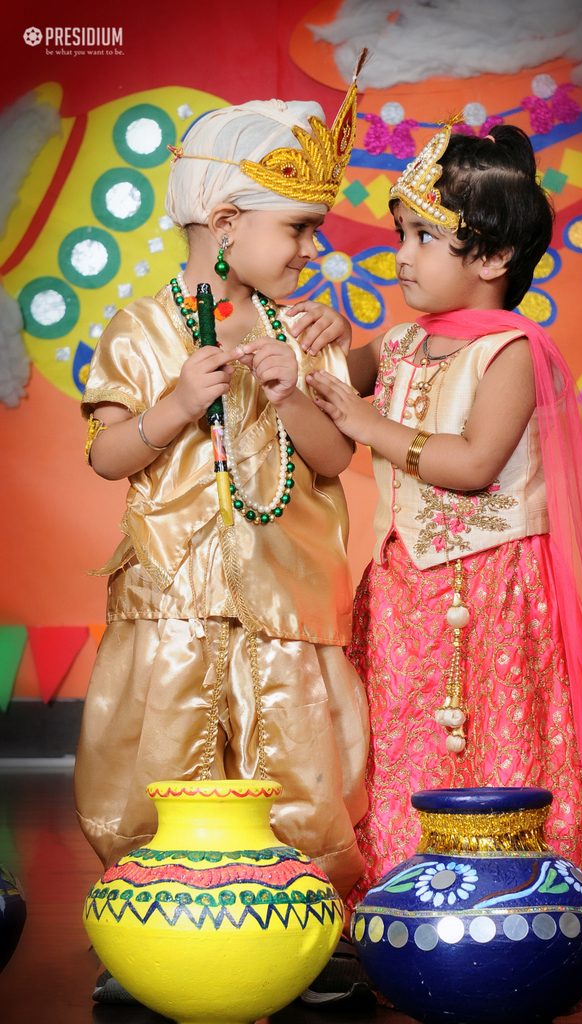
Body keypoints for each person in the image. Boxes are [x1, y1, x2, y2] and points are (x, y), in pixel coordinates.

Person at [308, 121, 582, 995]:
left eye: (425, 236)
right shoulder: (393, 346)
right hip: (401, 592)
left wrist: (362, 424)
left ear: (493, 254)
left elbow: (469, 465)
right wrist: (295, 357)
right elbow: (320, 403)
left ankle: (514, 924)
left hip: (493, 593)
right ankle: (397, 922)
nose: (402, 255)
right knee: (402, 752)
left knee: (495, 751)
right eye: (400, 234)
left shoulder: (512, 351)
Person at [74, 83, 372, 922]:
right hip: (173, 602)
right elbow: (107, 455)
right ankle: (147, 919)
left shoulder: (304, 333)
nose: (312, 248)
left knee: (303, 775)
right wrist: (171, 408)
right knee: (155, 768)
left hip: (287, 603)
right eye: (299, 228)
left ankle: (313, 924)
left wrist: (293, 397)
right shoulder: (139, 330)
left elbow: (334, 457)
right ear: (228, 221)